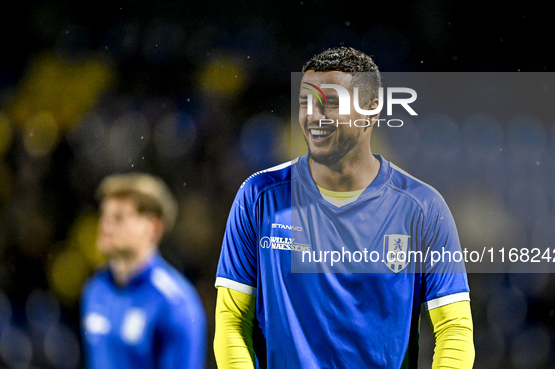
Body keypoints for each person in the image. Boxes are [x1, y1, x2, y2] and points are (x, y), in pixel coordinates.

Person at [214, 47, 474, 368]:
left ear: (371, 110)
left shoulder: (422, 207)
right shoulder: (259, 196)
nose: (313, 115)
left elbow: (454, 329)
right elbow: (231, 321)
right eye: (305, 102)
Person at [81, 173, 207, 369]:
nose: (106, 225)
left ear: (153, 227)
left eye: (119, 217)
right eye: (104, 215)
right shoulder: (95, 289)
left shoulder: (175, 303)